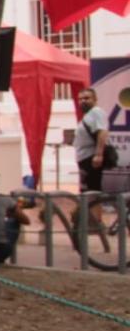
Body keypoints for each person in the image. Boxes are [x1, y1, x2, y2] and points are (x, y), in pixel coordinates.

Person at [75, 87, 110, 230]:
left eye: (87, 98)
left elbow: (102, 132)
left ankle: (96, 223)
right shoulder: (88, 115)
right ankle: (92, 222)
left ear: (95, 99)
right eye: (80, 99)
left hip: (91, 158)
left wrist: (98, 154)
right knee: (88, 190)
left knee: (93, 191)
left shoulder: (97, 112)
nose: (83, 101)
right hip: (85, 158)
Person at [0, 172, 29, 264]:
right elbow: (26, 221)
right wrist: (11, 213)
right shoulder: (4, 199)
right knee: (14, 220)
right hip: (0, 246)